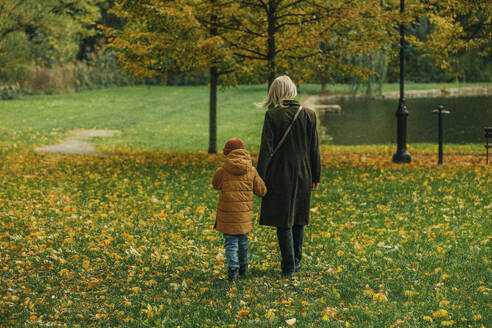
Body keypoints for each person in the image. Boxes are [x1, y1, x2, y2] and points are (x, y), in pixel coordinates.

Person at [257, 75, 321, 277]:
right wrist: (316, 177)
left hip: (279, 174)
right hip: (304, 173)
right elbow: (314, 150)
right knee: (299, 218)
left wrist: (259, 179)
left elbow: (265, 151)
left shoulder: (272, 116)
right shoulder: (309, 115)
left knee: (283, 220)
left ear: (275, 93)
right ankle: (296, 262)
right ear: (292, 90)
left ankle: (288, 266)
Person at [212, 138, 267, 281]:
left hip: (228, 215)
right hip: (244, 216)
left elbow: (215, 185)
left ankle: (233, 268)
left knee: (231, 243)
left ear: (227, 153)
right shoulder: (252, 170)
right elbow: (261, 190)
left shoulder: (223, 170)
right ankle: (243, 266)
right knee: (243, 241)